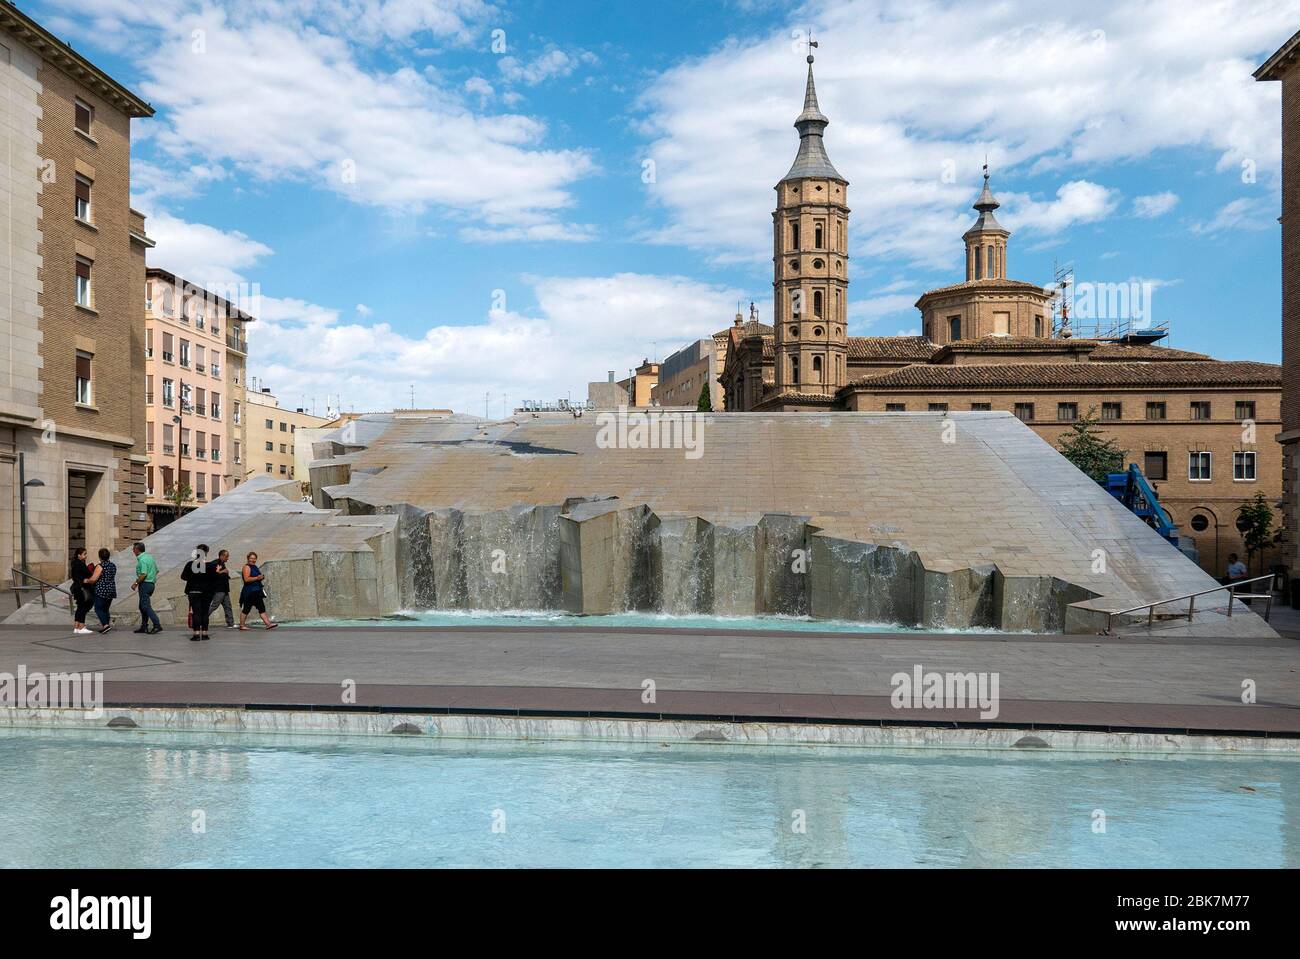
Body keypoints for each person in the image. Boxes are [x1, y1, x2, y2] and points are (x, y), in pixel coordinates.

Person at [180, 543, 216, 642]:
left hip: (194, 591)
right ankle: (204, 634)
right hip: (207, 592)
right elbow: (214, 579)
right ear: (206, 553)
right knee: (205, 612)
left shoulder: (190, 564)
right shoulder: (210, 566)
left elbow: (183, 577)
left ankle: (196, 634)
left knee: (196, 612)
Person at [239, 552, 277, 631]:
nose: (253, 560)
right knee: (247, 609)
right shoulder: (246, 567)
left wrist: (261, 577)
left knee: (259, 607)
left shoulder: (255, 567)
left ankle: (268, 624)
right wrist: (257, 578)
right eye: (251, 558)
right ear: (248, 558)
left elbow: (257, 576)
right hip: (250, 592)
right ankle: (242, 625)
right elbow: (246, 579)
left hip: (256, 591)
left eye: (254, 558)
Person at [129, 542, 162, 634]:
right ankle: (144, 626)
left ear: (137, 550)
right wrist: (152, 578)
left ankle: (157, 625)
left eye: (133, 549)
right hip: (151, 584)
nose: (133, 551)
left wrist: (135, 583)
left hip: (145, 584)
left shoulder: (142, 560)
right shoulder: (149, 557)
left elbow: (143, 574)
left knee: (145, 606)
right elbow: (157, 570)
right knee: (142, 606)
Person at [84, 548, 117, 634]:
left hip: (101, 590)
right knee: (106, 609)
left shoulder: (100, 566)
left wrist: (86, 580)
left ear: (100, 556)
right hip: (111, 590)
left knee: (98, 609)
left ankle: (105, 625)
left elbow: (94, 579)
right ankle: (107, 625)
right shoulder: (113, 565)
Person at [207, 549, 235, 628]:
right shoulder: (215, 563)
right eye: (226, 556)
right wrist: (223, 572)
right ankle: (201, 619)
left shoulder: (221, 563)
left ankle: (230, 623)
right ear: (221, 556)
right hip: (219, 589)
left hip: (224, 589)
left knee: (228, 606)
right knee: (214, 606)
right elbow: (212, 575)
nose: (228, 558)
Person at [70, 547, 94, 636]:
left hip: (77, 588)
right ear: (79, 555)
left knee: (80, 607)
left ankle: (76, 627)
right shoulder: (80, 564)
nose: (86, 556)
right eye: (84, 554)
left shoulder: (74, 564)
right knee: (84, 607)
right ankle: (81, 627)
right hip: (81, 588)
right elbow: (88, 574)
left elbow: (75, 576)